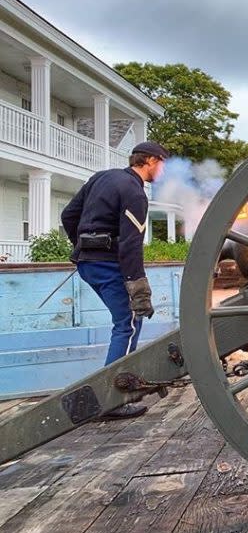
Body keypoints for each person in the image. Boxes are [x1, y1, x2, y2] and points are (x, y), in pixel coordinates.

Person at [61, 140, 169, 418]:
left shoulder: (102, 177)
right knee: (129, 322)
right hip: (107, 264)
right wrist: (138, 287)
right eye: (163, 165)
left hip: (89, 264)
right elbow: (131, 244)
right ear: (151, 161)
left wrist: (83, 246)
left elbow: (68, 215)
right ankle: (111, 397)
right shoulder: (135, 192)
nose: (163, 171)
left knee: (127, 321)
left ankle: (115, 389)